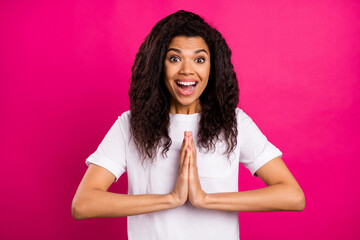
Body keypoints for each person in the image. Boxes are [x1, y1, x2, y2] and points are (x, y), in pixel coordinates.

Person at [72, 10, 305, 240]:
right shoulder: (129, 125)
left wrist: (204, 199)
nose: (187, 69)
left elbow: (293, 196)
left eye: (199, 59)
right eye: (174, 58)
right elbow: (83, 204)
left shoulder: (234, 123)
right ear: (158, 66)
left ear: (212, 68)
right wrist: (171, 198)